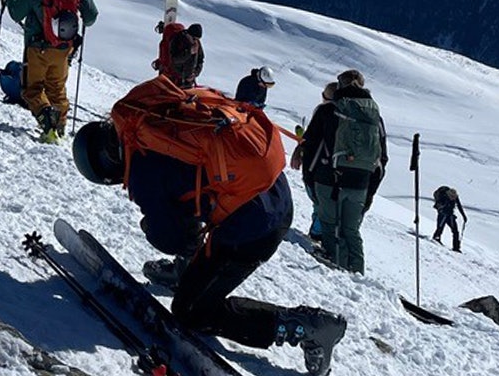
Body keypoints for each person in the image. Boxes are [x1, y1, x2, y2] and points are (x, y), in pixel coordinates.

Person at [72, 80, 347, 376]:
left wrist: (152, 226)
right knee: (192, 206)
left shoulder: (141, 171)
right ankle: (189, 273)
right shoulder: (150, 121)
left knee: (191, 312)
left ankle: (307, 328)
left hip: (254, 227)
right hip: (271, 190)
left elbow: (174, 237)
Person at [3, 0, 97, 142]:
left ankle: (48, 125)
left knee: (32, 89)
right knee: (56, 88)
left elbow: (17, 12)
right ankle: (60, 126)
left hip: (38, 47)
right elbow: (91, 16)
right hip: (64, 48)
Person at [299, 70, 387, 273]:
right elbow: (382, 158)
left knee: (330, 224)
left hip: (327, 178)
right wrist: (370, 190)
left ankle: (335, 267)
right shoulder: (374, 116)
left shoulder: (327, 111)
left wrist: (309, 178)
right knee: (351, 229)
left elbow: (311, 145)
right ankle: (357, 272)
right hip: (361, 182)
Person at [291, 82, 338, 242]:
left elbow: (311, 139)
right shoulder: (344, 115)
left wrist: (299, 150)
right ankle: (319, 233)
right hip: (333, 169)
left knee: (319, 203)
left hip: (316, 167)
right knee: (322, 203)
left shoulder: (324, 112)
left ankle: (317, 234)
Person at [154, 21, 205, 87]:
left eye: (197, 39)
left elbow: (200, 60)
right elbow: (174, 59)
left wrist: (195, 74)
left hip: (188, 80)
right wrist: (189, 52)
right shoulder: (178, 40)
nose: (195, 40)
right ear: (188, 34)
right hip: (175, 79)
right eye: (194, 38)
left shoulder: (196, 43)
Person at [432, 186, 467, 252]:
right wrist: (442, 207)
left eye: (454, 197)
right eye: (452, 197)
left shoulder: (455, 197)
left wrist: (464, 216)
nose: (453, 199)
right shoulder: (443, 197)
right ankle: (436, 238)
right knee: (440, 227)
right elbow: (438, 206)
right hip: (443, 214)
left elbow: (459, 206)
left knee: (455, 231)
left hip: (450, 215)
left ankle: (456, 247)